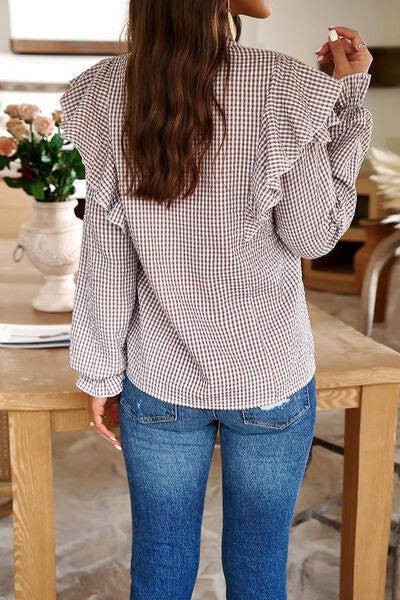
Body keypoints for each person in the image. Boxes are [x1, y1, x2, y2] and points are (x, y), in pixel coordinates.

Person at [60, 1, 373, 598]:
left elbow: (106, 260)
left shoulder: (101, 95)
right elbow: (311, 235)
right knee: (259, 569)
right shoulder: (285, 85)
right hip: (269, 374)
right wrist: (348, 98)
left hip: (160, 378)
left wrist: (99, 373)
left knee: (160, 564)